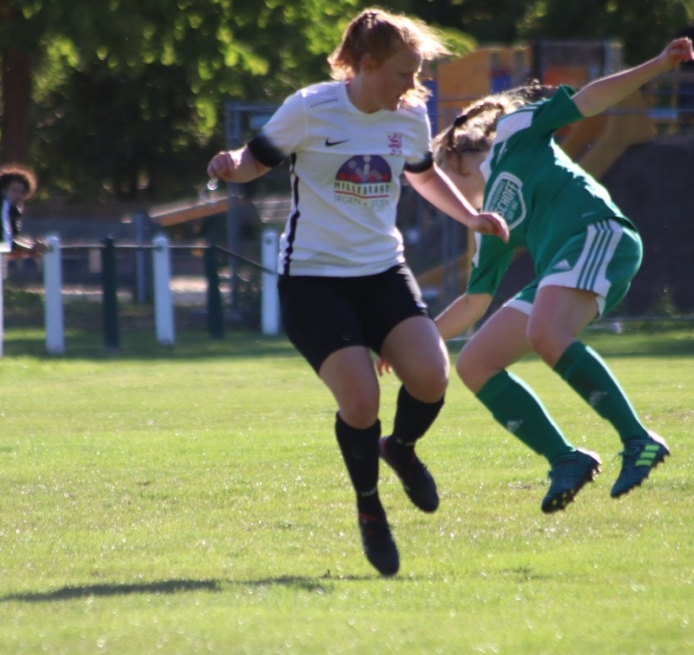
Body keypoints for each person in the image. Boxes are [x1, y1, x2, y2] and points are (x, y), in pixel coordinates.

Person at [207, 8, 508, 577]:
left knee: (431, 374)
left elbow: (420, 174)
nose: (413, 86)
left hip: (381, 271)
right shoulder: (310, 107)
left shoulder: (410, 117)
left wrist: (472, 216)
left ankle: (402, 448)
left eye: (416, 74)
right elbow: (255, 162)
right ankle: (370, 507)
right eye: (403, 74)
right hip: (314, 280)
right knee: (362, 402)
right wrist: (230, 166)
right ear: (367, 65)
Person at [410, 38, 694, 514]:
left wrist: (658, 62)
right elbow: (474, 304)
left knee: (546, 331)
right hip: (565, 262)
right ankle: (566, 459)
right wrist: (416, 344)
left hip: (597, 234)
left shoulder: (515, 132)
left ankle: (638, 439)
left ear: (454, 159)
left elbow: (588, 99)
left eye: (440, 183)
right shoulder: (487, 224)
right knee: (475, 363)